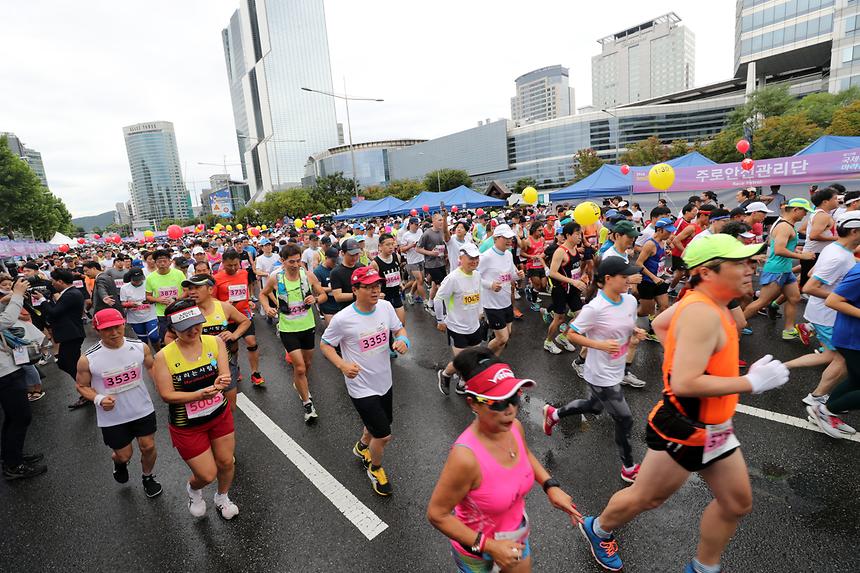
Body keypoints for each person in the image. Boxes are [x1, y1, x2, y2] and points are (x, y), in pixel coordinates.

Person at [577, 234, 789, 573]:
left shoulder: (708, 301)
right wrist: (751, 382)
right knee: (647, 498)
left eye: (751, 261)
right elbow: (684, 382)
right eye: (739, 263)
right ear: (707, 272)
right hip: (685, 425)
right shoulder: (701, 312)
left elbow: (661, 324)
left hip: (716, 426)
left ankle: (703, 568)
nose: (751, 268)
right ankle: (598, 528)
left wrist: (678, 354)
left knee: (736, 503)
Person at [427, 347, 583, 572]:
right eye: (498, 402)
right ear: (473, 403)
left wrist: (550, 486)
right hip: (477, 552)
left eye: (513, 397)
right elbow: (437, 514)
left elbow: (525, 456)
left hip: (516, 534)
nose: (510, 410)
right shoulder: (465, 458)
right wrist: (490, 546)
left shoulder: (514, 428)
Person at [542, 257, 646, 483]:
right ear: (608, 279)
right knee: (624, 418)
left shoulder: (628, 301)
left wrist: (634, 331)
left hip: (616, 367)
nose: (629, 280)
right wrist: (599, 345)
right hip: (600, 373)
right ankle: (628, 467)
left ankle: (554, 414)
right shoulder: (595, 308)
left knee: (594, 407)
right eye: (624, 276)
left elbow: (624, 324)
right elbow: (571, 333)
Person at [320, 266, 409, 496]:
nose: (374, 291)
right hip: (360, 386)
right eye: (368, 287)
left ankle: (361, 447)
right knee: (384, 435)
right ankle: (375, 469)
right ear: (355, 289)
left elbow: (400, 330)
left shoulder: (386, 307)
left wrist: (403, 342)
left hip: (384, 381)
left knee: (377, 425)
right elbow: (325, 344)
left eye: (377, 286)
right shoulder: (343, 319)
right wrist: (342, 365)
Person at [152, 299, 238, 519]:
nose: (193, 330)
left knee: (227, 462)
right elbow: (167, 395)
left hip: (219, 414)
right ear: (171, 329)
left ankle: (222, 497)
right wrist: (198, 395)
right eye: (184, 327)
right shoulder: (164, 356)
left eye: (196, 323)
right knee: (206, 474)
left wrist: (222, 381)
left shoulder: (214, 342)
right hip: (187, 425)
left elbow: (224, 374)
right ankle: (193, 489)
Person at [75, 308, 162, 497]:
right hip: (112, 416)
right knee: (124, 454)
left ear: (123, 324)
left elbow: (152, 366)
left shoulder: (139, 347)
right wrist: (98, 399)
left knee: (148, 446)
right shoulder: (88, 358)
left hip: (142, 408)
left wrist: (162, 388)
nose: (114, 332)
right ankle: (119, 463)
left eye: (117, 327)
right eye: (107, 329)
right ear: (97, 329)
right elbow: (81, 386)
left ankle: (148, 477)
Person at [803, 214, 860, 438]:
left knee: (850, 372)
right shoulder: (839, 256)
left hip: (839, 322)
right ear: (855, 232)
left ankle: (823, 407)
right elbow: (811, 286)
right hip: (833, 320)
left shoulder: (842, 253)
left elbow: (811, 273)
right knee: (837, 359)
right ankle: (820, 404)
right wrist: (842, 294)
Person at [260, 245, 328, 423]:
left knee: (307, 364)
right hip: (288, 328)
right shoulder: (276, 277)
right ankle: (308, 404)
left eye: (298, 260)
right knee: (299, 367)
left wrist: (316, 299)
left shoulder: (307, 275)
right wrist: (267, 307)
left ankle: (300, 382)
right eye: (291, 261)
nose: (296, 264)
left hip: (307, 326)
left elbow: (323, 295)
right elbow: (263, 294)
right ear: (282, 261)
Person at [174, 274, 250, 410]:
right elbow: (169, 337)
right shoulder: (185, 312)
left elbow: (245, 321)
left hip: (225, 364)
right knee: (205, 409)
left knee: (230, 407)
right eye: (190, 288)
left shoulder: (223, 307)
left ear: (210, 289)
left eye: (197, 288)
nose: (192, 292)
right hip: (198, 368)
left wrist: (233, 335)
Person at [743, 198, 815, 340]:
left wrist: (798, 252)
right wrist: (803, 256)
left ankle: (788, 330)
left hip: (786, 270)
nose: (805, 215)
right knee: (762, 302)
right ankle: (735, 325)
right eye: (804, 211)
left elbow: (780, 245)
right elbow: (779, 250)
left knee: (794, 298)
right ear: (795, 210)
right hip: (776, 270)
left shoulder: (788, 225)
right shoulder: (784, 227)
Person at [0, 276, 46, 480]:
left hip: (7, 368)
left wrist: (4, 300)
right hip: (4, 373)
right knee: (21, 416)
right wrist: (17, 294)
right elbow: (6, 321)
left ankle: (11, 456)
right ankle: (13, 465)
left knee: (12, 417)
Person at [434, 243, 484, 396]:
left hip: (474, 325)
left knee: (473, 358)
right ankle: (445, 375)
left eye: (476, 258)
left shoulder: (477, 274)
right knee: (463, 361)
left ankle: (462, 384)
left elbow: (479, 293)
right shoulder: (453, 278)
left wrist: (481, 311)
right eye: (470, 258)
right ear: (461, 258)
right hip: (456, 327)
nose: (474, 261)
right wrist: (440, 320)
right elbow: (438, 298)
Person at [214, 250, 264, 386]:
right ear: (223, 263)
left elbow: (244, 291)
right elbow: (212, 300)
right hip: (227, 318)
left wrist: (248, 301)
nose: (233, 268)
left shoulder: (244, 273)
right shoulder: (217, 278)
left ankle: (255, 372)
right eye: (229, 265)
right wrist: (224, 305)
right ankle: (235, 368)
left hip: (244, 315)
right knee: (233, 345)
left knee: (251, 342)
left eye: (236, 264)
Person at [40, 269, 87, 409]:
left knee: (67, 363)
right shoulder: (71, 293)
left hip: (71, 334)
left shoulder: (71, 294)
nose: (53, 284)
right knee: (70, 363)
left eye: (54, 281)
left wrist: (42, 301)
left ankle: (87, 389)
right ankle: (87, 388)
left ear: (60, 281)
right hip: (71, 333)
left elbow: (54, 312)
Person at [478, 224, 524, 357]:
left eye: (511, 237)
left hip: (506, 302)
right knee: (502, 338)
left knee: (507, 335)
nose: (509, 240)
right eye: (506, 237)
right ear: (496, 238)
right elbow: (474, 277)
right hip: (491, 304)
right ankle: (482, 357)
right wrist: (490, 285)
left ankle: (492, 362)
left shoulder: (508, 255)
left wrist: (518, 275)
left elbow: (510, 276)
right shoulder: (486, 256)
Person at [543, 222, 585, 354]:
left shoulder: (575, 249)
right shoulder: (560, 251)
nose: (580, 237)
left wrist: (582, 278)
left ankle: (563, 336)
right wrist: (572, 281)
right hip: (560, 289)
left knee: (581, 316)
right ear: (568, 235)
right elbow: (552, 272)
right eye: (577, 234)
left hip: (572, 289)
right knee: (559, 318)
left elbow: (576, 268)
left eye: (581, 234)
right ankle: (548, 342)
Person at [636, 218, 676, 322]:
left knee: (664, 307)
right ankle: (625, 317)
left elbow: (656, 257)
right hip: (647, 281)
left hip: (659, 279)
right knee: (645, 311)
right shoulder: (650, 244)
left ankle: (653, 328)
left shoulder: (663, 241)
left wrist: (665, 252)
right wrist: (653, 278)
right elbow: (638, 263)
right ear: (659, 230)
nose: (670, 234)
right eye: (668, 231)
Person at [144, 249, 186, 346]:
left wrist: (176, 300)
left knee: (182, 336)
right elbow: (148, 297)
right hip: (162, 314)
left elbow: (186, 291)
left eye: (165, 261)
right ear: (155, 263)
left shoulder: (179, 274)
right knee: (166, 339)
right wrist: (158, 299)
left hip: (178, 310)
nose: (162, 263)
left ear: (170, 261)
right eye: (159, 261)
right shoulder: (150, 278)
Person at [800, 188, 839, 290]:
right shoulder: (822, 216)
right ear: (825, 202)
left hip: (813, 253)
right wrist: (836, 238)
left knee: (804, 287)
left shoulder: (819, 213)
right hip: (814, 254)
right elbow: (813, 236)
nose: (838, 200)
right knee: (810, 288)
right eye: (835, 198)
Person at [371, 233, 407, 329]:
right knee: (386, 328)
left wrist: (400, 282)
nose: (391, 247)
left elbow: (397, 272)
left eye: (392, 244)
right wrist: (377, 293)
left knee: (401, 324)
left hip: (396, 294)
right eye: (387, 245)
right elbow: (372, 283)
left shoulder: (397, 256)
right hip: (383, 298)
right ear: (380, 246)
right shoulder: (375, 263)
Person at [417, 211, 450, 314]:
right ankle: (447, 311)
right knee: (443, 287)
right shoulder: (427, 233)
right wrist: (430, 253)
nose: (442, 222)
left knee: (435, 285)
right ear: (433, 221)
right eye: (439, 220)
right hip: (431, 264)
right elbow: (418, 249)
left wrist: (446, 254)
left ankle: (430, 303)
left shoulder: (442, 232)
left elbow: (445, 245)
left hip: (441, 263)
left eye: (443, 220)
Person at [120, 268, 159, 348]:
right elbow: (123, 303)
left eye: (140, 279)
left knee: (154, 337)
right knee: (143, 341)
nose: (138, 281)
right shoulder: (124, 288)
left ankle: (158, 352)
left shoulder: (148, 284)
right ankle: (147, 355)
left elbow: (156, 298)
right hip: (135, 318)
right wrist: (130, 304)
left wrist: (150, 300)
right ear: (130, 278)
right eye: (135, 280)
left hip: (150, 315)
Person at [329, 239, 364, 311]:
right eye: (351, 255)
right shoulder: (336, 272)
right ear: (342, 253)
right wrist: (360, 295)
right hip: (347, 310)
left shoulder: (362, 267)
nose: (354, 258)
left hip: (363, 307)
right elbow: (338, 296)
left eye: (356, 254)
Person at [520, 222, 547, 312]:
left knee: (543, 285)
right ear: (534, 230)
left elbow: (543, 251)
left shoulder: (542, 239)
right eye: (539, 230)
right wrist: (531, 256)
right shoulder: (527, 241)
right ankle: (534, 302)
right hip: (531, 266)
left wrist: (542, 256)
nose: (541, 232)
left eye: (542, 230)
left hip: (541, 264)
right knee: (538, 286)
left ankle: (530, 290)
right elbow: (522, 253)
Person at [398, 217, 426, 305]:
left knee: (418, 281)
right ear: (410, 224)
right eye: (415, 224)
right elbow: (402, 249)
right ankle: (426, 301)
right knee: (420, 280)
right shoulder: (406, 235)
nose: (417, 226)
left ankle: (408, 293)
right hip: (412, 261)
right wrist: (411, 246)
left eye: (418, 224)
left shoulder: (420, 231)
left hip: (421, 258)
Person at [313, 247, 341, 325]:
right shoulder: (318, 271)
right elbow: (317, 289)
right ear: (326, 258)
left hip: (340, 303)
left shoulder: (338, 268)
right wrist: (333, 288)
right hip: (328, 305)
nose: (334, 263)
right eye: (333, 261)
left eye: (336, 261)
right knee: (331, 327)